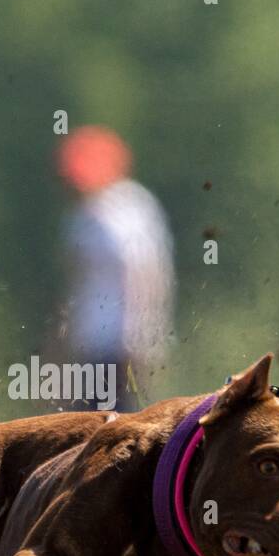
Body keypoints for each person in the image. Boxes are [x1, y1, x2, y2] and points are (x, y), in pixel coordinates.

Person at [55, 126, 174, 411]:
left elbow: (144, 274)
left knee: (109, 424)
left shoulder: (122, 212)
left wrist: (142, 335)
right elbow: (77, 282)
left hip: (118, 339)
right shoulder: (85, 216)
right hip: (95, 337)